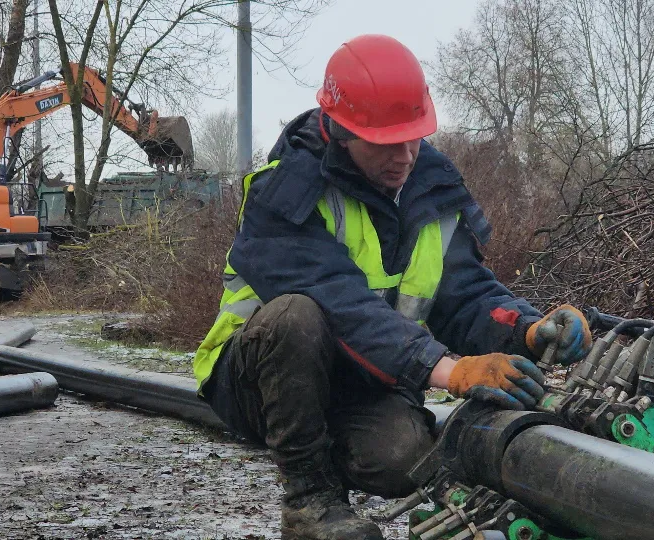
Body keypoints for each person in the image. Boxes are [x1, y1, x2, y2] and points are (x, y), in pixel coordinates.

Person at [193, 34, 593, 540]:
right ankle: (310, 501)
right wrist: (447, 370)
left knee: (403, 460)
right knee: (297, 314)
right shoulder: (286, 192)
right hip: (255, 377)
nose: (405, 155)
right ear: (340, 130)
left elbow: (464, 291)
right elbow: (342, 306)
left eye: (414, 136)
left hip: (361, 377)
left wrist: (528, 329)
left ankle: (325, 442)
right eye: (386, 142)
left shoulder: (430, 182)